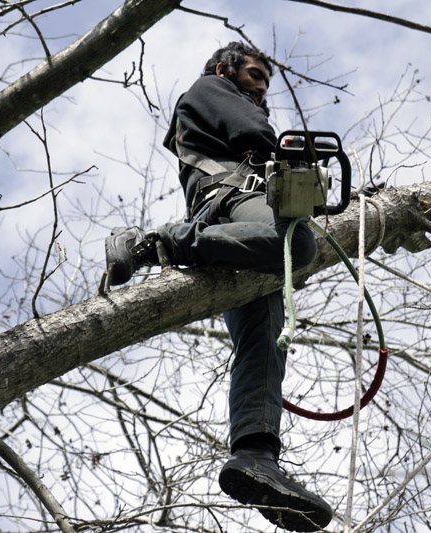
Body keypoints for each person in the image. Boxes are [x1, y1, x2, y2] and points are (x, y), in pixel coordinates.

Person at [105, 41, 332, 532]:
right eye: (253, 73)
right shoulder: (211, 89)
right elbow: (252, 131)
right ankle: (162, 242)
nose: (261, 84)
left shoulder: (230, 107)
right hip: (233, 199)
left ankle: (255, 454)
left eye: (266, 80)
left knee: (264, 340)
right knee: (298, 246)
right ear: (225, 67)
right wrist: (290, 157)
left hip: (232, 236)